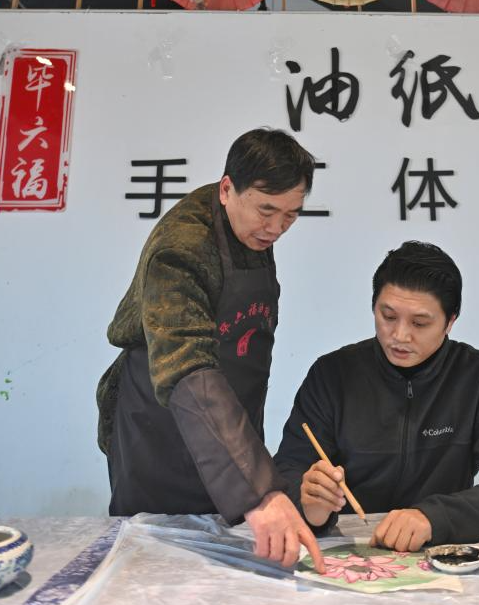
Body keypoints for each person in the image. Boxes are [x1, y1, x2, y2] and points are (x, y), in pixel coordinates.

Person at [97, 127, 324, 572]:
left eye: (291, 215)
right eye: (266, 211)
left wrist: (252, 471)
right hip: (159, 426)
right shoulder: (180, 248)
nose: (276, 228)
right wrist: (260, 492)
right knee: (155, 564)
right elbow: (186, 366)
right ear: (226, 189)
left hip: (226, 423)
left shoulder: (249, 229)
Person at [274, 241, 479, 552]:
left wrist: (434, 517)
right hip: (349, 554)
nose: (400, 335)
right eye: (388, 316)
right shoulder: (332, 375)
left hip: (441, 553)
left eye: (420, 323)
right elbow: (287, 472)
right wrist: (310, 506)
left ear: (450, 321)